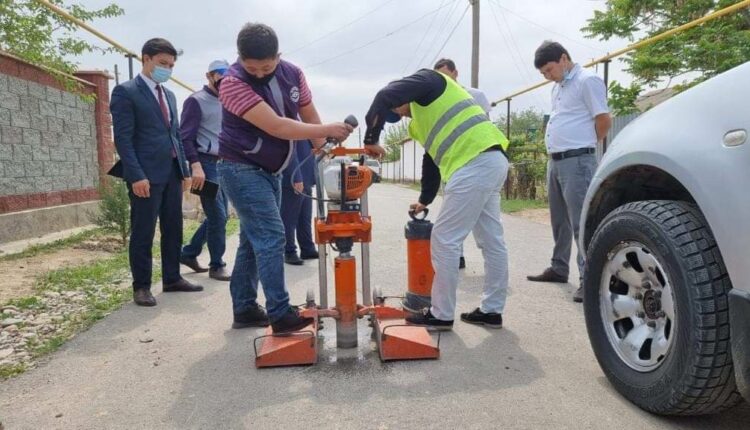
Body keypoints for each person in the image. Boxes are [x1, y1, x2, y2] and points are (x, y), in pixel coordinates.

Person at [217, 23, 353, 333]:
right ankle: (280, 314)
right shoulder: (232, 83)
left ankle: (245, 308)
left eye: (267, 66)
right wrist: (325, 130)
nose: (261, 73)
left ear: (279, 56)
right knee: (272, 236)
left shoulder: (293, 73)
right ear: (239, 59)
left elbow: (308, 114)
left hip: (271, 168)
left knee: (253, 241)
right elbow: (278, 127)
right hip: (240, 167)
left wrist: (326, 151)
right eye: (253, 67)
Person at [363, 67, 510, 330]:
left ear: (403, 94)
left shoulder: (431, 80)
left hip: (474, 163)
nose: (400, 113)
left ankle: (441, 314)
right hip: (491, 162)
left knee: (444, 239)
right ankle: (491, 311)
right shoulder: (420, 123)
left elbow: (383, 95)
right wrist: (425, 199)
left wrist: (371, 138)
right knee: (491, 241)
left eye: (397, 109)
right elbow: (431, 160)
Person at [110, 38, 203, 307]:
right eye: (163, 63)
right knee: (143, 231)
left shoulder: (170, 95)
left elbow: (175, 135)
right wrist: (136, 175)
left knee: (173, 228)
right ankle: (141, 286)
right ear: (146, 59)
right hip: (145, 176)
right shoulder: (126, 92)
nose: (167, 69)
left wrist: (184, 170)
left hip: (172, 173)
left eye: (171, 65)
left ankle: (172, 278)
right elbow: (123, 139)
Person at [526, 41, 612, 303]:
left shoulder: (587, 81)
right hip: (556, 161)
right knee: (559, 220)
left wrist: (585, 146)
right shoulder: (558, 87)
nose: (547, 76)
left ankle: (589, 279)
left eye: (549, 70)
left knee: (582, 223)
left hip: (577, 161)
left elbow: (604, 120)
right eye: (543, 73)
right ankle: (559, 267)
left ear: (564, 59)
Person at [432, 58, 491, 270]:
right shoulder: (439, 99)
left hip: (477, 161)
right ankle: (457, 256)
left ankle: (491, 266)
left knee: (481, 219)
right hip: (452, 163)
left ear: (456, 73)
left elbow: (484, 126)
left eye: (446, 76)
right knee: (453, 214)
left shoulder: (476, 96)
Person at [179, 60, 231, 282]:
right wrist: (195, 165)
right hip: (205, 165)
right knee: (218, 215)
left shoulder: (227, 102)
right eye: (220, 76)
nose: (223, 80)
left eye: (228, 76)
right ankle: (216, 265)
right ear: (209, 76)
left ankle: (189, 253)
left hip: (223, 164)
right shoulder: (195, 101)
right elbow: (185, 137)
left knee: (221, 215)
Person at [280, 139, 318, 266]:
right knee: (289, 219)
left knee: (304, 217)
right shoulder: (293, 124)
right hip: (295, 178)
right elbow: (291, 152)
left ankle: (307, 248)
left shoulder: (305, 125)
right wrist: (296, 177)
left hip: (306, 178)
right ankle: (289, 251)